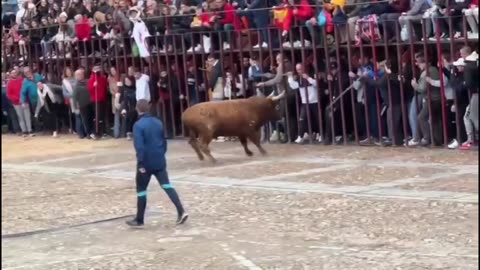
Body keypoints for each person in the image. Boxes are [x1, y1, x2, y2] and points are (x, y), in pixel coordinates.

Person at [126, 99, 188, 227]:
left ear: (137, 109)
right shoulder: (158, 122)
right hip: (159, 160)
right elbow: (164, 142)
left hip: (146, 162)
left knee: (141, 189)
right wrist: (161, 155)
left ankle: (139, 219)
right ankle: (181, 210)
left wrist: (141, 163)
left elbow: (140, 147)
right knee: (167, 185)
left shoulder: (138, 125)